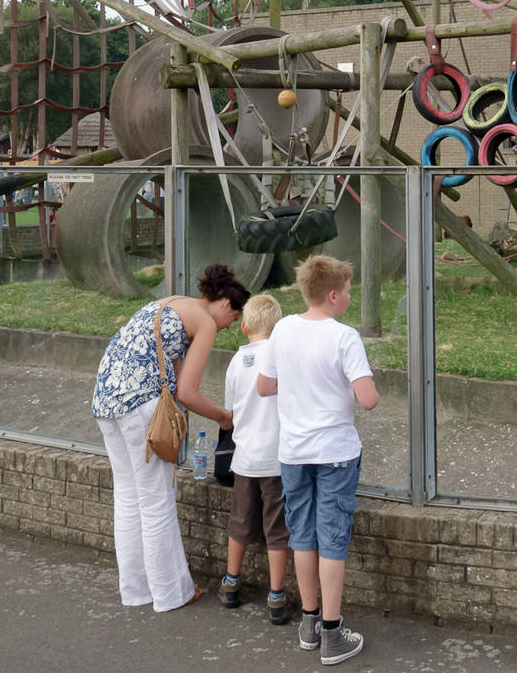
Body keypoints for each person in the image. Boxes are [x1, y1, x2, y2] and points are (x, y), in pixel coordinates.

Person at [91, 264, 249, 613]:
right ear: (225, 305)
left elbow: (173, 373)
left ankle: (136, 591)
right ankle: (171, 593)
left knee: (129, 499)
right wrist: (225, 416)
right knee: (157, 500)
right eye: (233, 319)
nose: (228, 327)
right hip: (141, 406)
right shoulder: (206, 323)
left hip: (105, 399)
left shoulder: (172, 302)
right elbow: (188, 393)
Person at [256, 255, 380, 666]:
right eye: (347, 290)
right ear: (333, 295)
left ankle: (309, 622)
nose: (349, 296)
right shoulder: (344, 338)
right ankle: (332, 632)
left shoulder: (284, 329)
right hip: (335, 454)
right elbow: (369, 399)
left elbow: (264, 385)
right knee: (332, 538)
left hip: (293, 453)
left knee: (302, 534)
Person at [218, 293, 292, 624]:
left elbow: (230, 413)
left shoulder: (236, 361)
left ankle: (231, 581)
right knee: (277, 530)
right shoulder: (282, 357)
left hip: (245, 459)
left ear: (244, 326)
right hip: (277, 460)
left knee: (240, 522)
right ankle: (276, 596)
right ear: (278, 328)